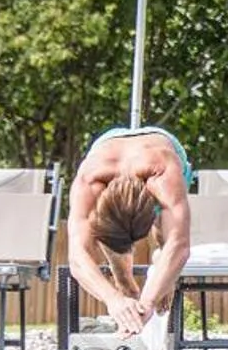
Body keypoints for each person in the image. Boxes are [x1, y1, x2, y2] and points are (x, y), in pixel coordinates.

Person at [68, 125, 194, 338]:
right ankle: (126, 284)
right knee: (118, 259)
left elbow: (179, 244)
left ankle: (160, 266)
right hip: (105, 148)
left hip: (159, 144)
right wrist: (112, 299)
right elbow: (77, 256)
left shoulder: (163, 170)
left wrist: (149, 301)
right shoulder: (90, 179)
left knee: (165, 239)